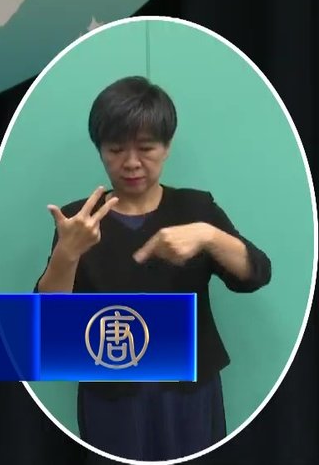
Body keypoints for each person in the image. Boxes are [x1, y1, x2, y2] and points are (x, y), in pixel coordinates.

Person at [34, 76, 272, 461]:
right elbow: (48, 320)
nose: (131, 163)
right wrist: (68, 252)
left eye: (146, 148)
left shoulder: (196, 208)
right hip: (110, 393)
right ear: (100, 150)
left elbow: (256, 274)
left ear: (167, 146)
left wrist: (209, 236)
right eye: (115, 149)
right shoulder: (80, 219)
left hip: (190, 390)